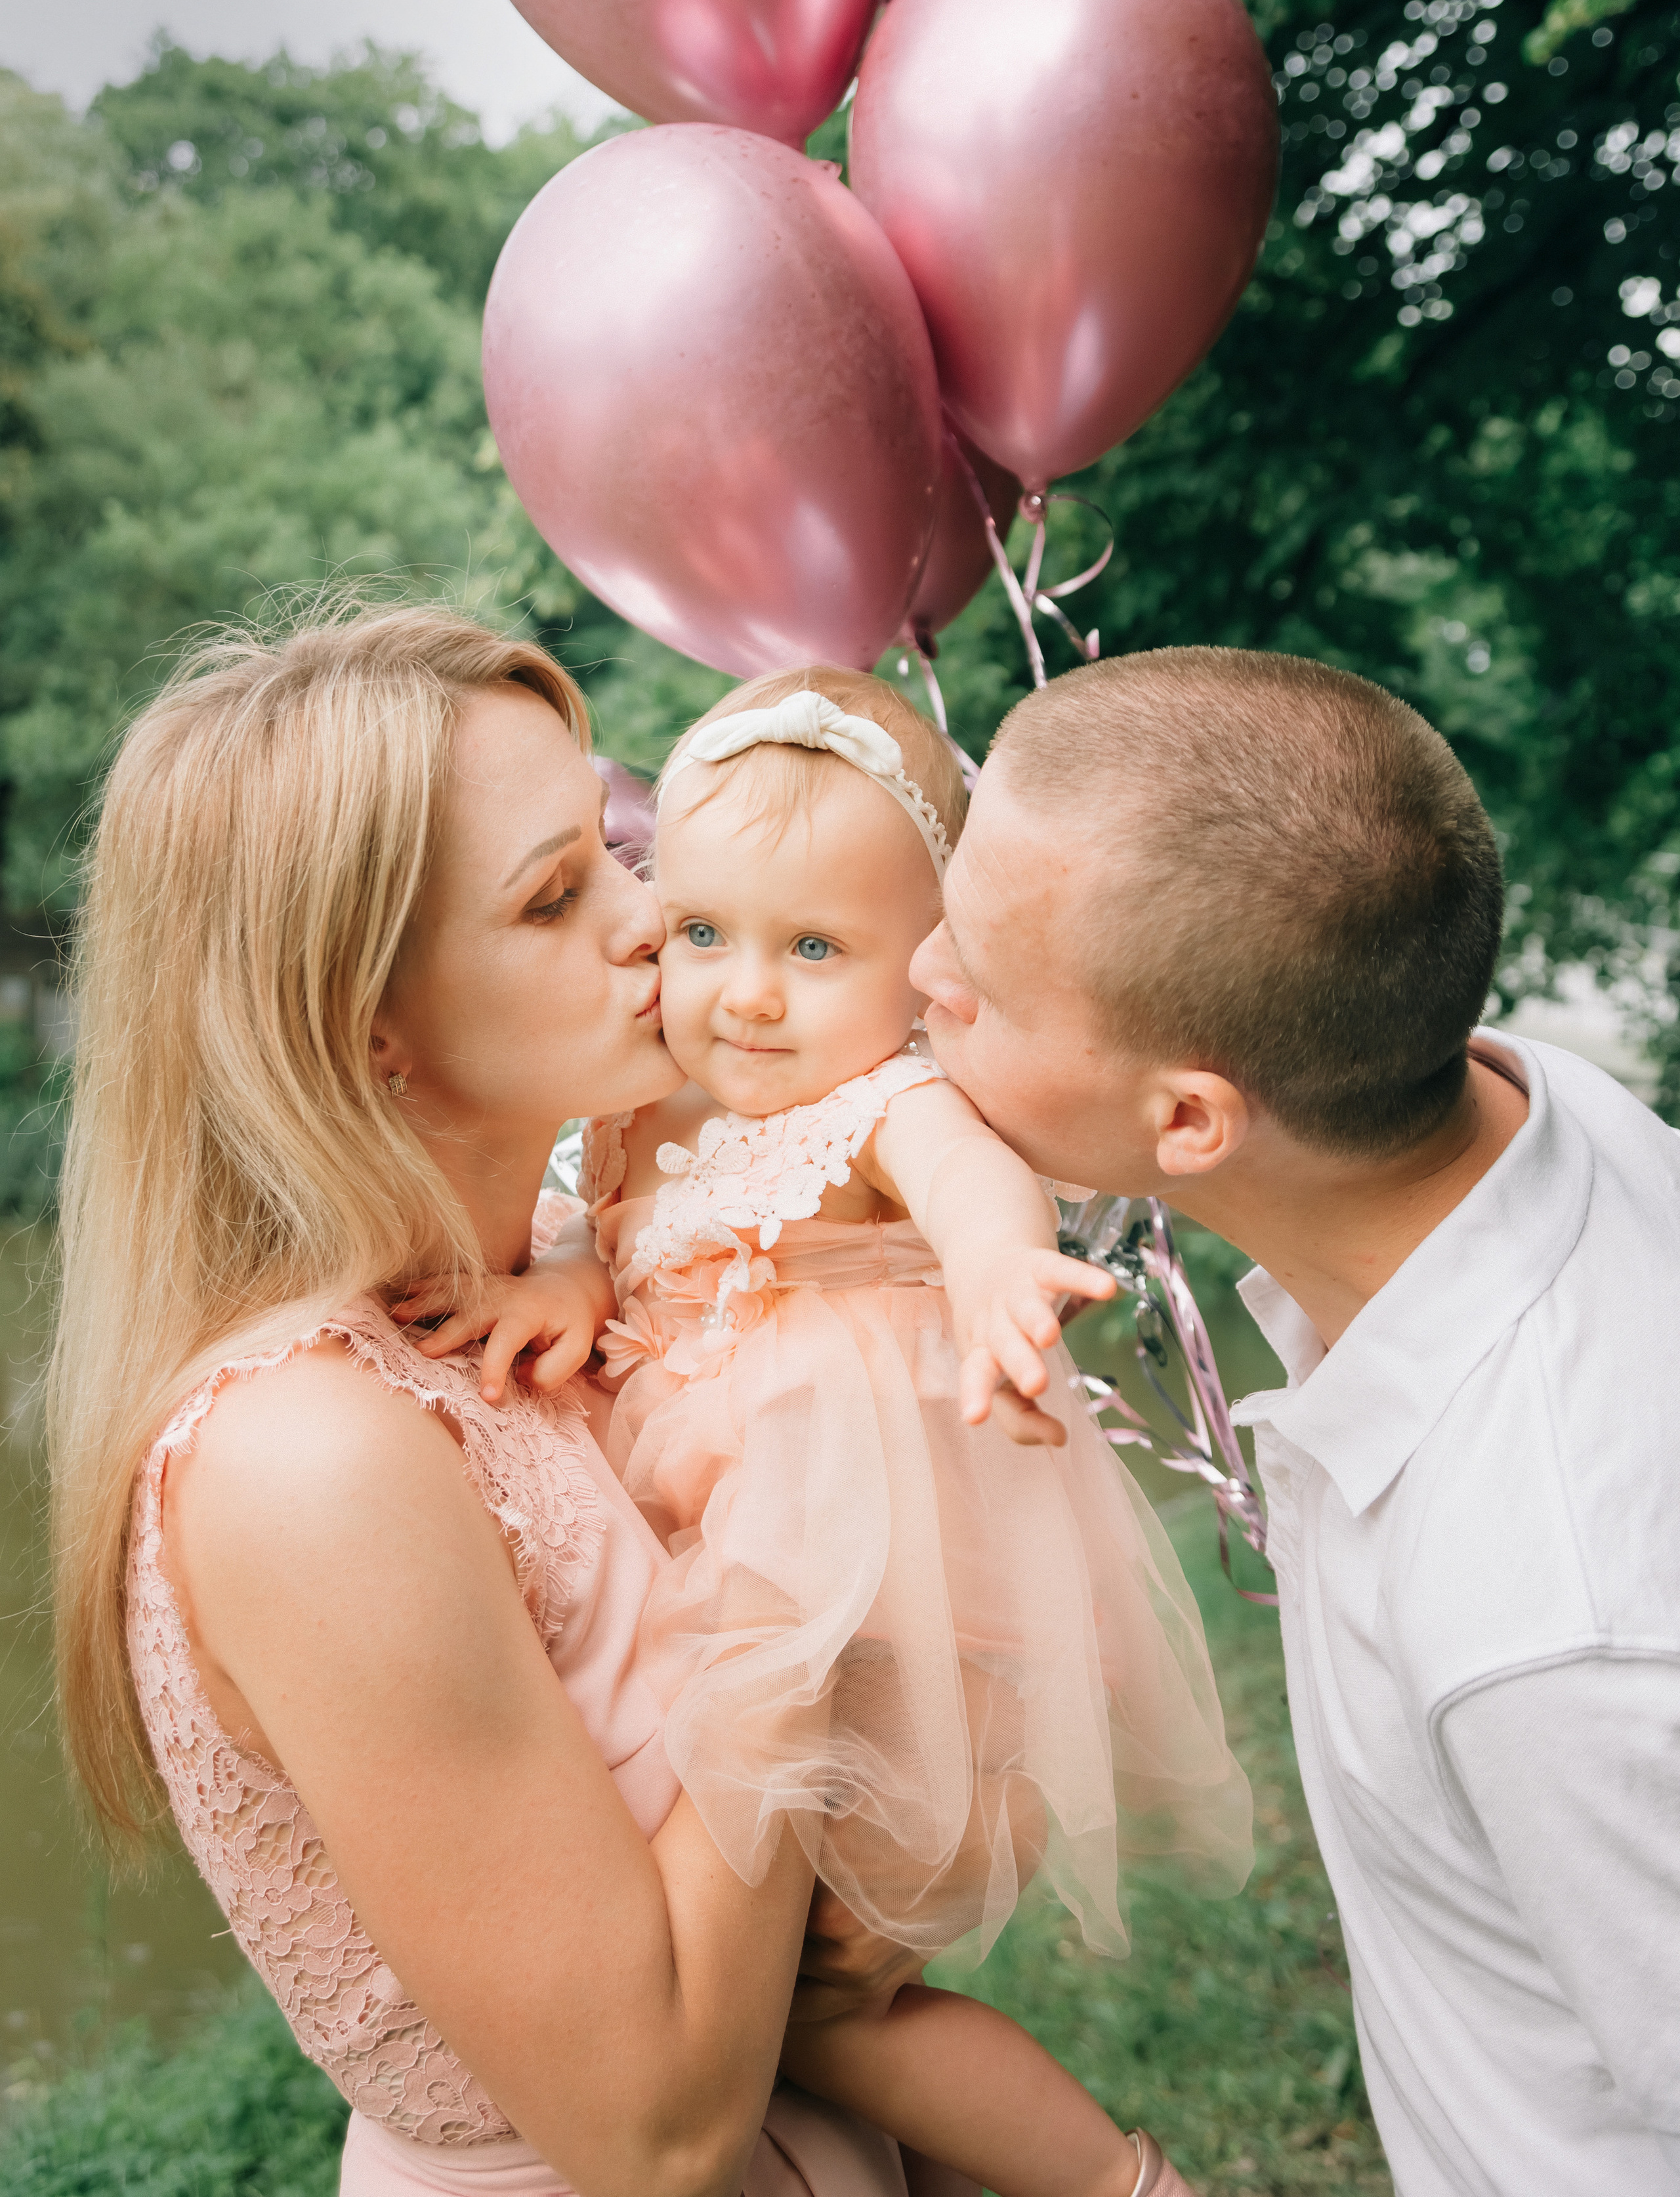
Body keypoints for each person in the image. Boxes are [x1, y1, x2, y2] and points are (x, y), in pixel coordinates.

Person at [48, 605, 971, 2197]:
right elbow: (656, 2134)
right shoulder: (311, 1457)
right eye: (556, 897)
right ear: (367, 1031)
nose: (648, 916)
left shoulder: (586, 1269)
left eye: (617, 850)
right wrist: (815, 1549)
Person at [411, 664, 1250, 2197]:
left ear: (924, 966)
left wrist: (997, 1264)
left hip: (858, 1594)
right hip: (729, 1589)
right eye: (702, 933)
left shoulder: (873, 1102)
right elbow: (631, 1227)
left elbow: (963, 1178)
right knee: (776, 1998)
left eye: (813, 947)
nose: (745, 993)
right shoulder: (640, 1102)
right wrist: (577, 1271)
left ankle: (1122, 2188)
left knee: (826, 2007)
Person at [909, 644, 1680, 2196]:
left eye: (978, 986)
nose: (917, 972)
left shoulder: (1551, 1626)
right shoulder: (1528, 1107)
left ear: (1187, 1121)